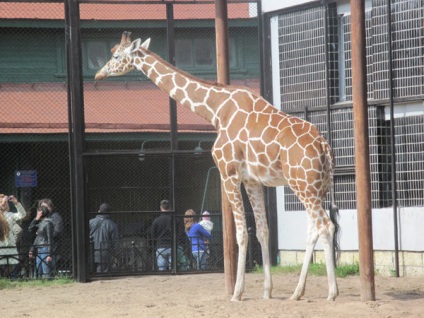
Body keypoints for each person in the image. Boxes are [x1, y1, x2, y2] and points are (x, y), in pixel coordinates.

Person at [0, 194, 26, 277]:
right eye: (0, 202)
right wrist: (3, 201)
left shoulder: (9, 214)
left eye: (4, 202)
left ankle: (11, 281)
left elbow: (23, 215)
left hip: (10, 245)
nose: (3, 204)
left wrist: (16, 203)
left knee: (10, 267)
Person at [89, 203, 119, 273]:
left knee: (90, 274)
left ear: (98, 211)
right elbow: (115, 241)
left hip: (91, 252)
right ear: (109, 213)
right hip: (104, 254)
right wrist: (116, 254)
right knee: (102, 275)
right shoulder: (112, 224)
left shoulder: (90, 222)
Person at [28, 205, 54, 278]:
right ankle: (38, 284)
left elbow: (49, 238)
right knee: (38, 270)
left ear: (41, 212)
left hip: (45, 248)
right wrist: (36, 218)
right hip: (39, 248)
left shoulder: (48, 223)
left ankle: (47, 284)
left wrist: (49, 254)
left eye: (37, 213)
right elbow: (30, 229)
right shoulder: (40, 223)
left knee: (45, 270)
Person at [38, 198, 63, 269]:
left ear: (50, 207)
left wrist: (44, 234)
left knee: (48, 268)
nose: (43, 209)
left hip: (52, 247)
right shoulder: (42, 218)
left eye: (45, 207)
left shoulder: (56, 217)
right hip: (41, 246)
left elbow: (57, 232)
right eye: (42, 207)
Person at [151, 199, 172, 271]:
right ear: (170, 208)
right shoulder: (174, 219)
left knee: (162, 269)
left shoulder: (156, 220)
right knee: (173, 268)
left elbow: (153, 234)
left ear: (161, 208)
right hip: (172, 246)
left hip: (160, 246)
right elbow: (180, 232)